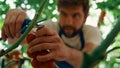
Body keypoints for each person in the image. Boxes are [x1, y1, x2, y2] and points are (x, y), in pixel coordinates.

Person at [1, 0, 101, 68]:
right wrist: (18, 23)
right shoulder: (50, 27)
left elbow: (91, 60)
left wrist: (65, 52)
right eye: (64, 14)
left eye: (76, 16)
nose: (68, 22)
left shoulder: (91, 32)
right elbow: (15, 40)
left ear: (85, 17)